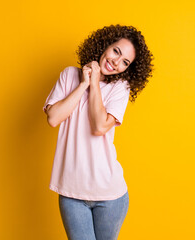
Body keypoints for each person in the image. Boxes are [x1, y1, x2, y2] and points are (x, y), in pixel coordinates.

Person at [43, 24, 154, 240]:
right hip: (71, 192)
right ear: (105, 44)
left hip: (110, 195)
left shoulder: (120, 87)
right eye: (116, 51)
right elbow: (54, 118)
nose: (116, 62)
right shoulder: (69, 75)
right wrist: (84, 84)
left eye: (125, 62)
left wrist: (95, 82)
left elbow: (99, 126)